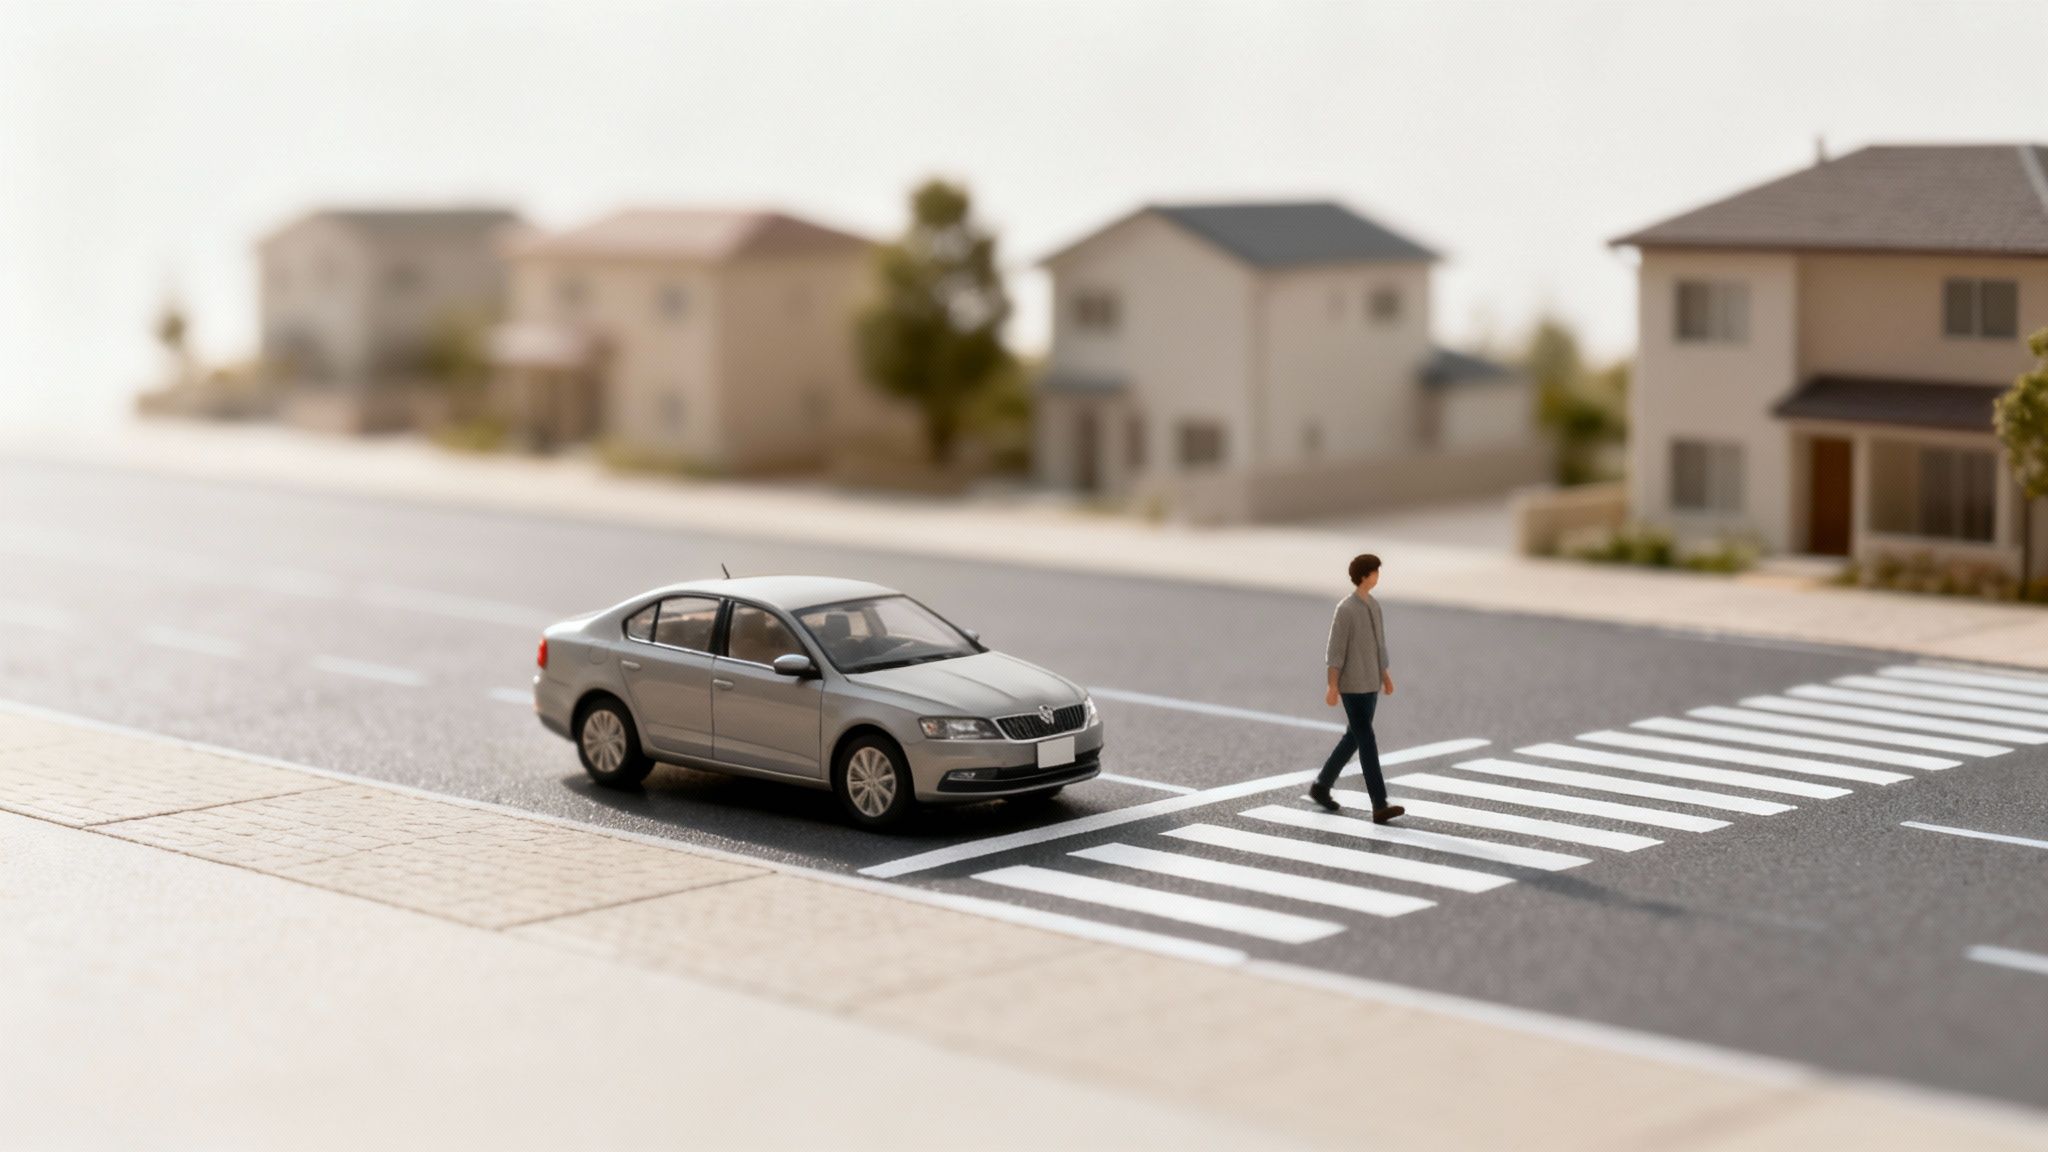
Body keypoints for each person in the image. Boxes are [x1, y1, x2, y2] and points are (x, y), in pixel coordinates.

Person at [1308, 553, 1403, 823]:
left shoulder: (1374, 606)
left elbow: (1379, 645)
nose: (1377, 576)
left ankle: (1321, 786)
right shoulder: (1346, 609)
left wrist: (1385, 675)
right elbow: (1335, 651)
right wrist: (1332, 685)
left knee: (1353, 737)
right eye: (1374, 572)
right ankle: (1379, 803)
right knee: (1367, 740)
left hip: (1370, 683)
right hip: (1352, 686)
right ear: (1364, 575)